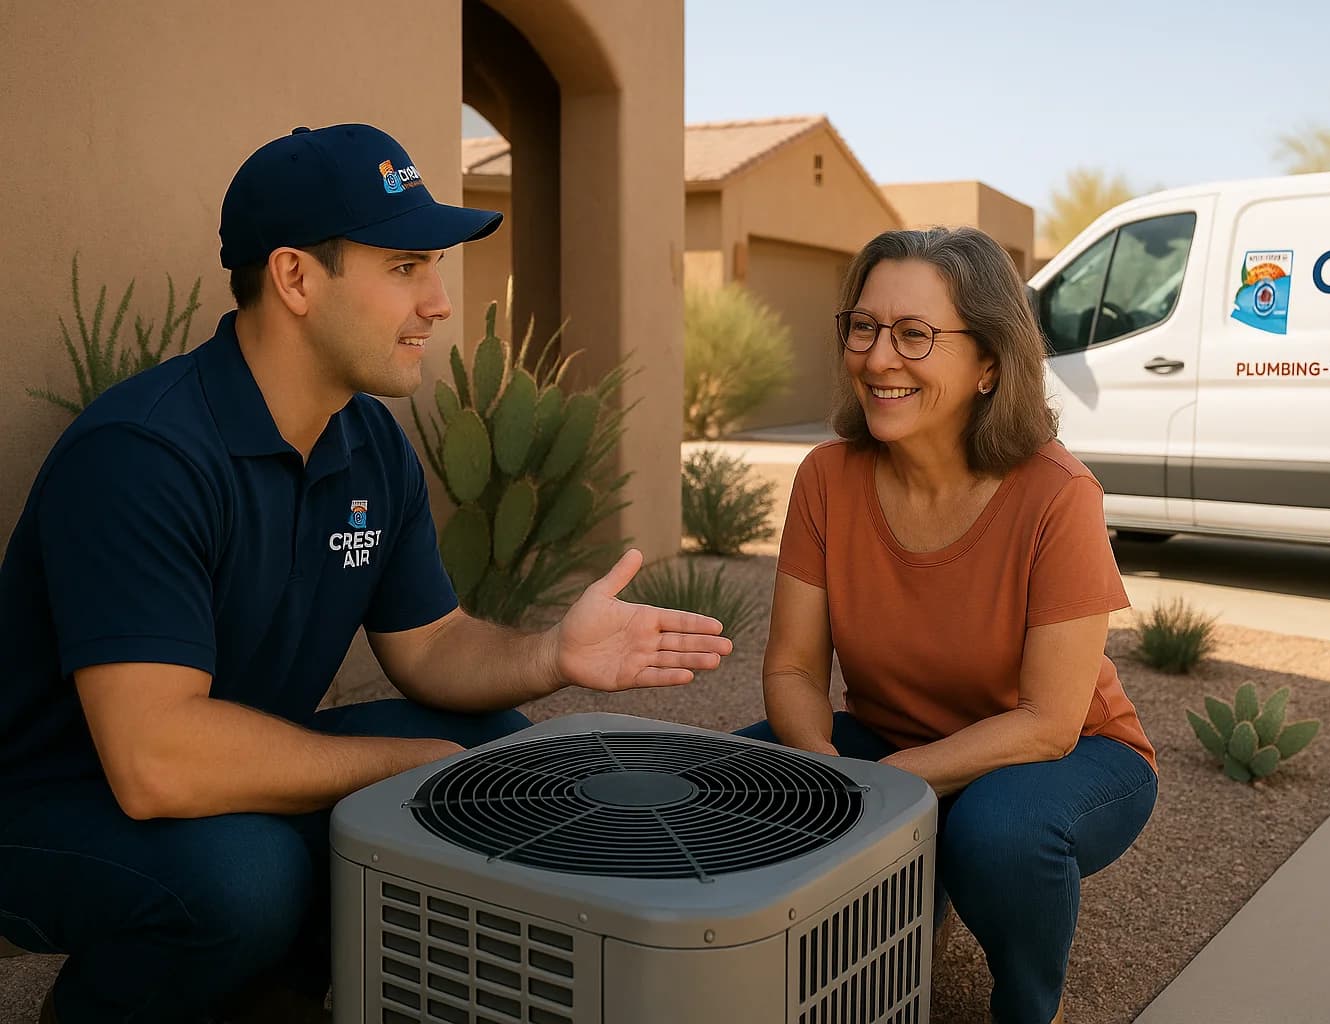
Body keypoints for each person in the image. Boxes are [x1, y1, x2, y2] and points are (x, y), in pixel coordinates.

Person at [0, 123, 733, 1024]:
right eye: (404, 269)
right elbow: (155, 764)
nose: (439, 303)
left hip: (213, 763)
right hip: (47, 804)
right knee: (250, 878)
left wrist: (552, 654)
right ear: (296, 278)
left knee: (492, 752)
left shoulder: (368, 440)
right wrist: (399, 765)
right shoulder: (144, 454)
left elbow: (430, 647)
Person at [737, 227, 1157, 1024]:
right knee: (737, 785)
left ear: (990, 363)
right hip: (886, 741)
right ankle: (878, 949)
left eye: (915, 335)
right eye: (863, 327)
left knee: (998, 835)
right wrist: (826, 771)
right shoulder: (827, 477)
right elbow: (791, 670)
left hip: (1070, 756)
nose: (878, 358)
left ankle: (1027, 1007)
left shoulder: (1059, 495)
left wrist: (878, 789)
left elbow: (1047, 724)